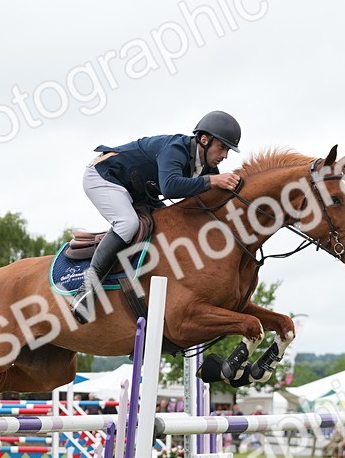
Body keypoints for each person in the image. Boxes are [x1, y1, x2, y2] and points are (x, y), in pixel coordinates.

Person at [70, 111, 244, 323]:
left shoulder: (208, 167)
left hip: (139, 191)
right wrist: (213, 181)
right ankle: (86, 289)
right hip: (104, 176)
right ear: (204, 140)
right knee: (128, 223)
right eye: (223, 147)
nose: (225, 155)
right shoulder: (176, 149)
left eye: (228, 150)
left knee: (168, 224)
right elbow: (170, 188)